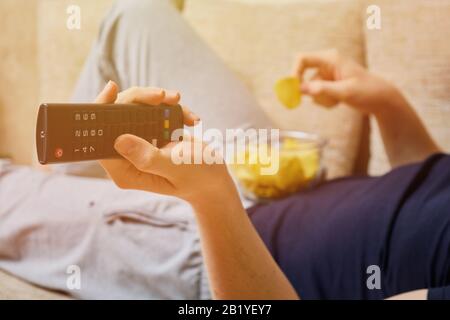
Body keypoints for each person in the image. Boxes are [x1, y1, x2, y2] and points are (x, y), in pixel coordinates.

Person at [0, 0, 448, 299]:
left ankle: (76, 205)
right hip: (284, 175)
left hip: (239, 249)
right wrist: (385, 102)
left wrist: (213, 199)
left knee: (6, 192)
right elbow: (425, 202)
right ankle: (82, 185)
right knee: (135, 14)